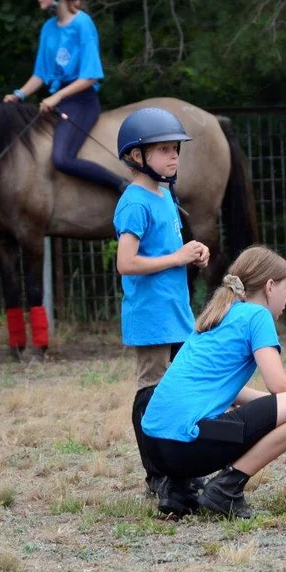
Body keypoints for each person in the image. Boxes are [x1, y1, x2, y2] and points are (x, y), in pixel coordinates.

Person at [141, 245, 286, 519]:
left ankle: (177, 489)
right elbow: (277, 383)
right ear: (269, 287)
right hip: (186, 444)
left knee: (250, 411)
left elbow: (226, 390)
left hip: (155, 448)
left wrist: (281, 405)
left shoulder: (217, 314)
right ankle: (226, 489)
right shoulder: (257, 316)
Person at [114, 106, 210, 516]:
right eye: (164, 150)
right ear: (137, 156)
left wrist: (193, 255)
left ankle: (182, 467)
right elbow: (126, 263)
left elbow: (168, 251)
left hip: (176, 311)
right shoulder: (134, 202)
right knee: (151, 391)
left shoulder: (165, 193)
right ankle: (157, 474)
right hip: (150, 316)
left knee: (182, 386)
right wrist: (176, 258)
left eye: (176, 149)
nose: (173, 157)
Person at [4, 0, 126, 193]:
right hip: (56, 102)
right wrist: (18, 94)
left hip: (81, 101)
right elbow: (40, 74)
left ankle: (121, 185)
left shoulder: (83, 23)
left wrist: (56, 97)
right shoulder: (48, 28)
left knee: (61, 158)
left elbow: (91, 76)